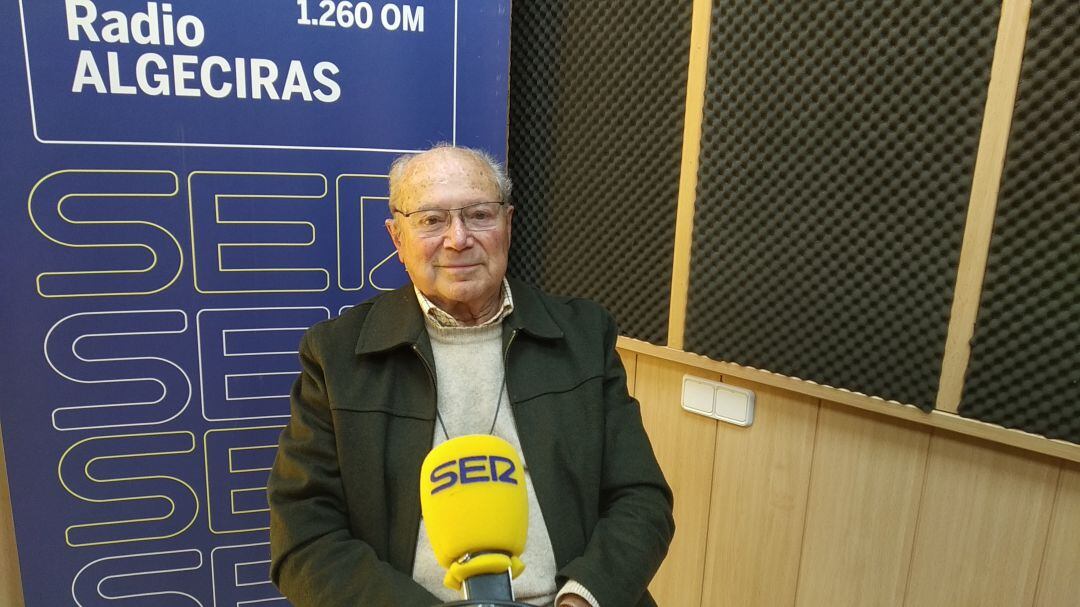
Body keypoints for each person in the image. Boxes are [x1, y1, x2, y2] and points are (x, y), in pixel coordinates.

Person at [268, 144, 674, 607]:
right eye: (431, 220)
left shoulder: (582, 335)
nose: (458, 238)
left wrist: (582, 598)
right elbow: (304, 535)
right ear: (397, 238)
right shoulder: (337, 354)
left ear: (507, 224)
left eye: (480, 214)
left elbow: (641, 499)